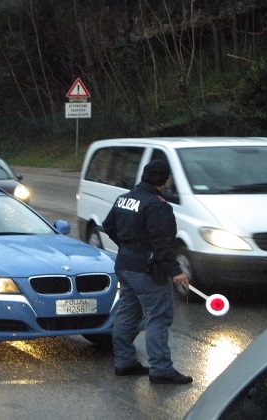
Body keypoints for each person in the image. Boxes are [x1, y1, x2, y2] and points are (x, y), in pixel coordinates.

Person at [102, 160, 193, 385]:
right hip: (147, 270)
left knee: (127, 314)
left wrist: (126, 247)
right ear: (165, 180)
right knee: (159, 317)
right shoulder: (157, 205)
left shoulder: (125, 199)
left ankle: (125, 362)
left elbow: (108, 225)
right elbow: (163, 245)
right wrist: (176, 272)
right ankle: (161, 369)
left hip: (125, 265)